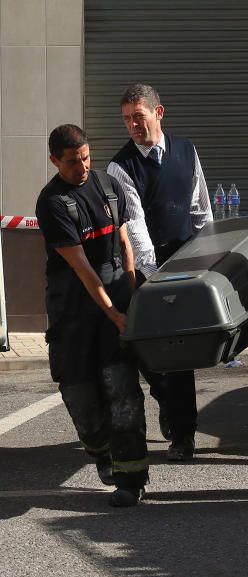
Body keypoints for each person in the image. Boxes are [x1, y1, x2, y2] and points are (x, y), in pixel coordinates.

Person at [36, 124, 148, 508]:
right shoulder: (52, 203)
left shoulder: (106, 186)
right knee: (80, 398)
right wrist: (115, 313)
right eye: (72, 162)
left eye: (85, 157)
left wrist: (130, 295)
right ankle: (100, 450)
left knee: (122, 390)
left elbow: (123, 240)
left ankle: (130, 478)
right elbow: (82, 268)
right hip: (74, 312)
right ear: (54, 160)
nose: (82, 167)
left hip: (114, 298)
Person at [107, 84, 213, 461]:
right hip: (148, 271)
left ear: (159, 113)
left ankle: (183, 435)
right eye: (126, 120)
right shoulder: (120, 166)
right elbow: (135, 227)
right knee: (148, 353)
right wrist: (156, 279)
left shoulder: (186, 149)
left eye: (138, 116)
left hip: (186, 263)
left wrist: (207, 258)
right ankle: (168, 404)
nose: (133, 125)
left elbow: (201, 208)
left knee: (179, 359)